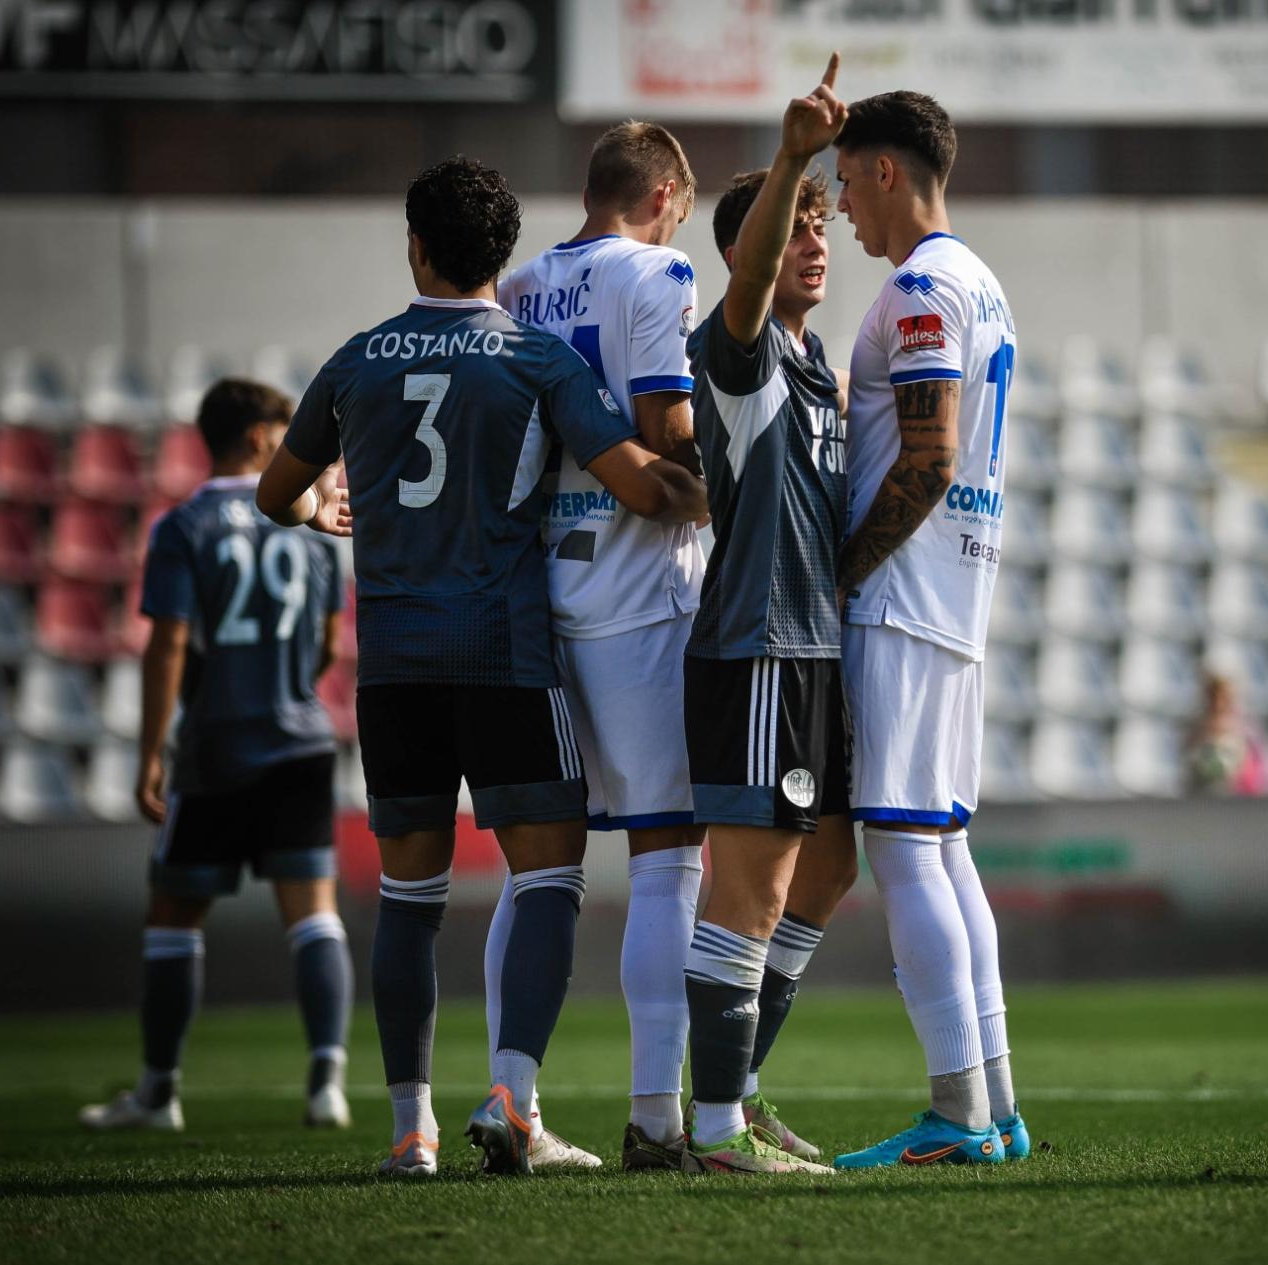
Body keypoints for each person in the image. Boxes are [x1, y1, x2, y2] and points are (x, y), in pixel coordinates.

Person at [256, 156, 707, 1178]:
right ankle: (512, 1092)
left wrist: (319, 506)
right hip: (505, 653)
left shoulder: (356, 359)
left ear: (414, 243)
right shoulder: (532, 357)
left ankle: (410, 1128)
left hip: (396, 669)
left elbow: (271, 494)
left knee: (408, 903)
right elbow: (641, 485)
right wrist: (724, 499)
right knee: (546, 873)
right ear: (500, 256)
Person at [492, 121, 710, 1172]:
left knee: (539, 869)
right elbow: (669, 432)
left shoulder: (522, 281)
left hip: (540, 592)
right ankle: (657, 1113)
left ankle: (509, 1096)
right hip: (636, 589)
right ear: (665, 192)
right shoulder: (660, 270)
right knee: (670, 853)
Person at [829, 89, 1026, 1168]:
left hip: (903, 597)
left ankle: (958, 1113)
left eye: (848, 180)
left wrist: (843, 572)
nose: (844, 205)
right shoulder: (983, 282)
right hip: (960, 592)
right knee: (944, 848)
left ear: (889, 172)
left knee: (905, 847)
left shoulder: (918, 289)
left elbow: (928, 455)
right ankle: (997, 1102)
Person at [79, 378, 353, 1135]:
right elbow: (331, 642)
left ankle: (159, 1091)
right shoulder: (312, 522)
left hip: (216, 744)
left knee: (173, 915)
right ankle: (327, 1080)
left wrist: (148, 756)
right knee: (314, 916)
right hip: (300, 741)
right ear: (261, 438)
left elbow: (167, 640)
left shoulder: (184, 526)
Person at [678, 55, 849, 1177]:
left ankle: (731, 1098)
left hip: (819, 651)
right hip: (758, 647)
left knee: (827, 867)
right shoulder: (740, 357)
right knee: (752, 886)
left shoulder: (817, 357)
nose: (817, 244)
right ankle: (710, 1130)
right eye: (797, 228)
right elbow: (743, 294)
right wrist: (789, 155)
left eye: (823, 226)